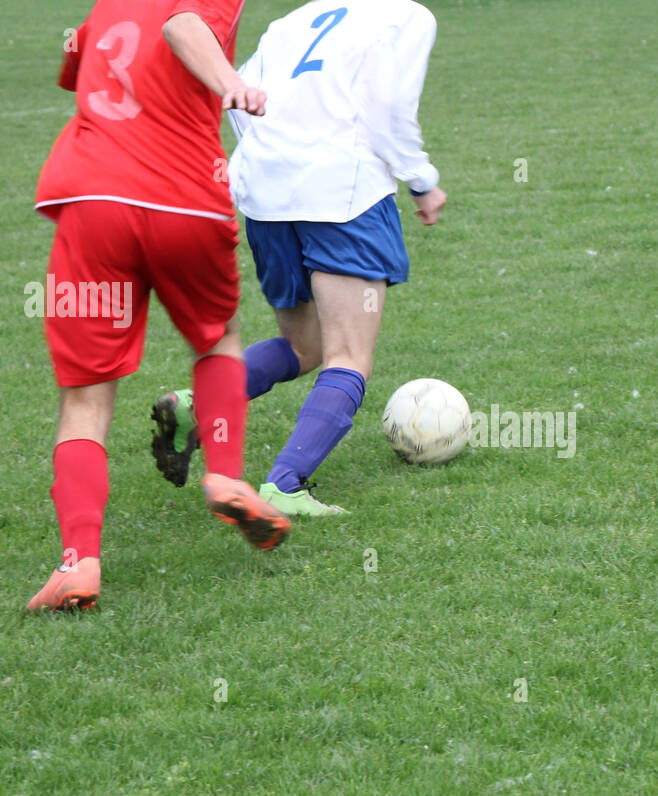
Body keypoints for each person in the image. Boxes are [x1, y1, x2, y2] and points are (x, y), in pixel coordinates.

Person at [28, 0, 290, 613]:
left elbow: (81, 64)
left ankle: (79, 564)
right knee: (218, 339)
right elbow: (181, 25)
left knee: (87, 399)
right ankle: (224, 475)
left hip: (93, 203)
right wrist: (232, 83)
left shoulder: (102, 8)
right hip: (185, 202)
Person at [149, 0, 447, 517]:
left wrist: (264, 166)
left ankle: (201, 400)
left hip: (266, 195)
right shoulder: (407, 15)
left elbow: (239, 91)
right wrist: (420, 180)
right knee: (348, 354)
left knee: (303, 344)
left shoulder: (296, 18)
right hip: (342, 193)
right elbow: (389, 109)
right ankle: (285, 484)